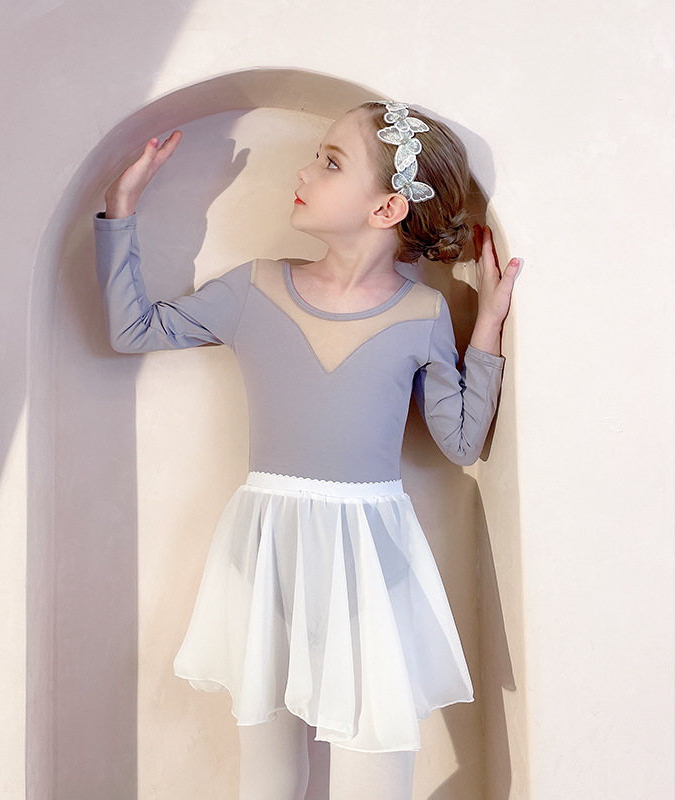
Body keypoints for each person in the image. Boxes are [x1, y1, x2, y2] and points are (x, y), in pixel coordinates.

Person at [94, 101, 522, 800]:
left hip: (371, 558)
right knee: (267, 774)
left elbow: (462, 440)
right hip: (266, 551)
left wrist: (487, 330)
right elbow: (132, 330)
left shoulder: (422, 314)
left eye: (330, 162)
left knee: (375, 765)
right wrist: (121, 210)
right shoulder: (253, 287)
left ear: (386, 208)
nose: (303, 171)